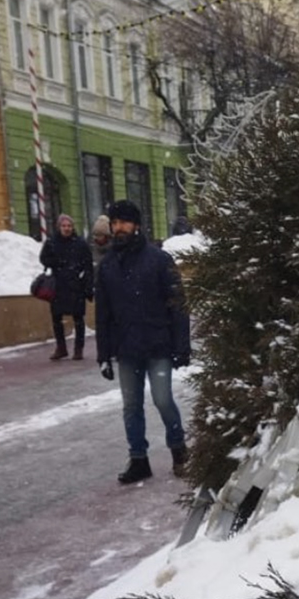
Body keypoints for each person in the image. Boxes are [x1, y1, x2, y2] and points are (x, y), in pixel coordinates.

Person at [95, 199, 190, 485]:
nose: (118, 227)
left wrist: (182, 346)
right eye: (114, 223)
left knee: (162, 400)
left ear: (136, 225)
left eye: (123, 222)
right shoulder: (108, 265)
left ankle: (179, 450)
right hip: (126, 349)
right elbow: (103, 313)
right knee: (131, 406)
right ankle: (139, 459)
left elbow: (178, 305)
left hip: (157, 344)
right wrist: (103, 354)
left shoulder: (159, 260)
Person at [39, 213, 93, 360]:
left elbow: (88, 264)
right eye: (64, 226)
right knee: (57, 318)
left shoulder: (80, 243)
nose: (67, 229)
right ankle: (61, 348)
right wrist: (56, 262)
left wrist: (88, 285)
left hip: (76, 284)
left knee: (78, 318)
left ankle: (78, 349)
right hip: (58, 285)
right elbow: (43, 258)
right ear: (59, 227)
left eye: (69, 226)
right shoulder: (52, 242)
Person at [90, 214, 111, 279]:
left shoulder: (115, 250)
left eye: (100, 235)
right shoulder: (91, 249)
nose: (96, 238)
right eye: (95, 235)